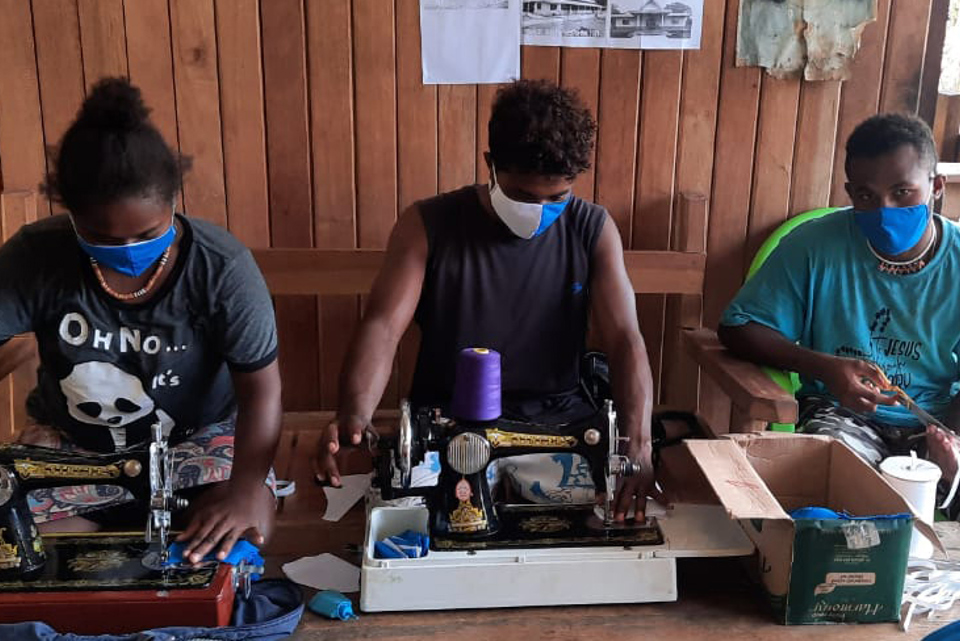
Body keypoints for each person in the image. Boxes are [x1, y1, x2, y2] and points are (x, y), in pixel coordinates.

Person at [313, 79, 661, 520]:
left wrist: (640, 445)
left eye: (557, 197)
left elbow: (625, 338)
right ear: (490, 165)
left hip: (555, 418)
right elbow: (383, 327)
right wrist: (354, 419)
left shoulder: (591, 229)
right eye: (522, 196)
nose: (539, 211)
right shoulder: (429, 224)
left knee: (600, 523)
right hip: (445, 422)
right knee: (411, 522)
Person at [0, 78, 281, 563]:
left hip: (203, 437)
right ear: (70, 214)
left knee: (229, 546)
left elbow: (262, 392)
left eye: (148, 233)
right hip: (75, 446)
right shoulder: (35, 258)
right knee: (39, 563)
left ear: (174, 198)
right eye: (100, 236)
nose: (128, 251)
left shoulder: (221, 269)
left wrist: (243, 492)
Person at [718, 113, 959, 493]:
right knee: (841, 496)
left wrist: (952, 444)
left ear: (937, 186)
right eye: (866, 196)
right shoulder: (813, 246)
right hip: (841, 416)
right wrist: (823, 366)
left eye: (902, 192)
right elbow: (737, 328)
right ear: (849, 192)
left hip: (937, 422)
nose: (885, 210)